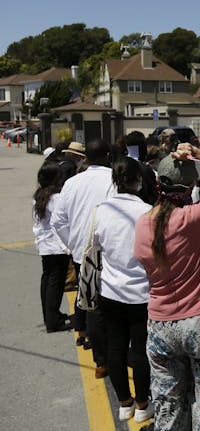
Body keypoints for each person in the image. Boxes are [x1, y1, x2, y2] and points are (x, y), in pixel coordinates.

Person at [133, 149, 200, 430]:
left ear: (158, 185)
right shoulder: (196, 217)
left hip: (160, 326)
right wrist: (199, 154)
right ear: (190, 187)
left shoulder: (142, 224)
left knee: (168, 405)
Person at [93, 158, 154, 423]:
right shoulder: (148, 212)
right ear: (138, 181)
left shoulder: (101, 210)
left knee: (115, 346)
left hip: (110, 290)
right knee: (140, 350)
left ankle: (124, 402)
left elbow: (94, 245)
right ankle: (143, 404)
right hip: (142, 292)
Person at [51, 138, 114, 375]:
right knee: (113, 304)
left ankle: (101, 361)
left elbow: (58, 221)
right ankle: (114, 352)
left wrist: (73, 245)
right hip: (111, 251)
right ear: (108, 156)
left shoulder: (72, 183)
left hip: (82, 253)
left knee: (92, 306)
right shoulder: (113, 179)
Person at [32, 162, 72, 333]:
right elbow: (61, 221)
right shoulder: (56, 198)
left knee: (47, 280)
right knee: (56, 282)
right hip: (57, 246)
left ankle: (50, 315)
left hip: (45, 245)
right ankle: (53, 321)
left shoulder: (39, 195)